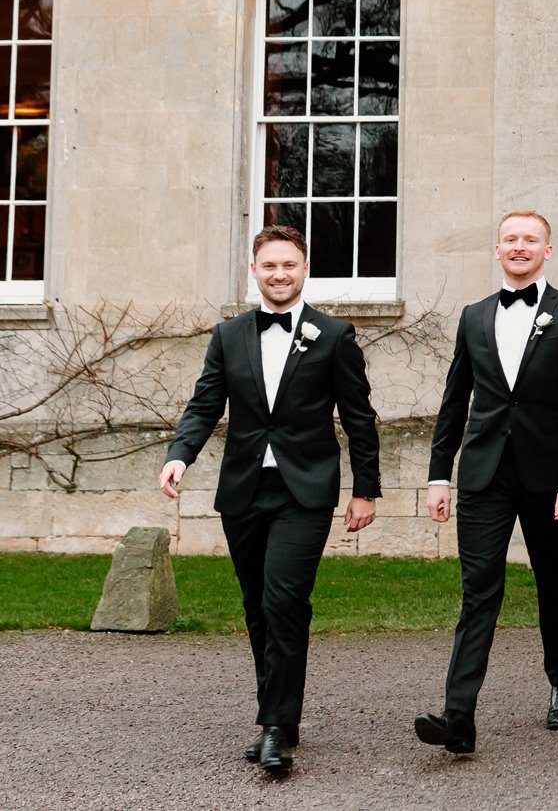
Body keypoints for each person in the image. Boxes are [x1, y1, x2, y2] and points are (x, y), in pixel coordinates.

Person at [158, 225, 381, 776]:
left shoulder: (334, 335)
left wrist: (366, 490)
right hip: (243, 490)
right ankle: (280, 714)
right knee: (257, 605)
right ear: (253, 270)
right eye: (269, 265)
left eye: (289, 265)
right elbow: (204, 405)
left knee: (285, 600)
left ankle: (275, 726)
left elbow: (359, 418)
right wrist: (178, 455)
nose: (279, 274)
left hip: (304, 490)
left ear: (304, 269)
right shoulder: (228, 335)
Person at [415, 211, 558, 753]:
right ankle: (459, 716)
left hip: (550, 475)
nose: (519, 247)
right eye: (510, 239)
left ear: (549, 250)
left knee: (552, 577)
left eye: (530, 240)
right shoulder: (474, 316)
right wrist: (438, 475)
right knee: (479, 590)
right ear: (496, 250)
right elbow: (455, 400)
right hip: (483, 473)